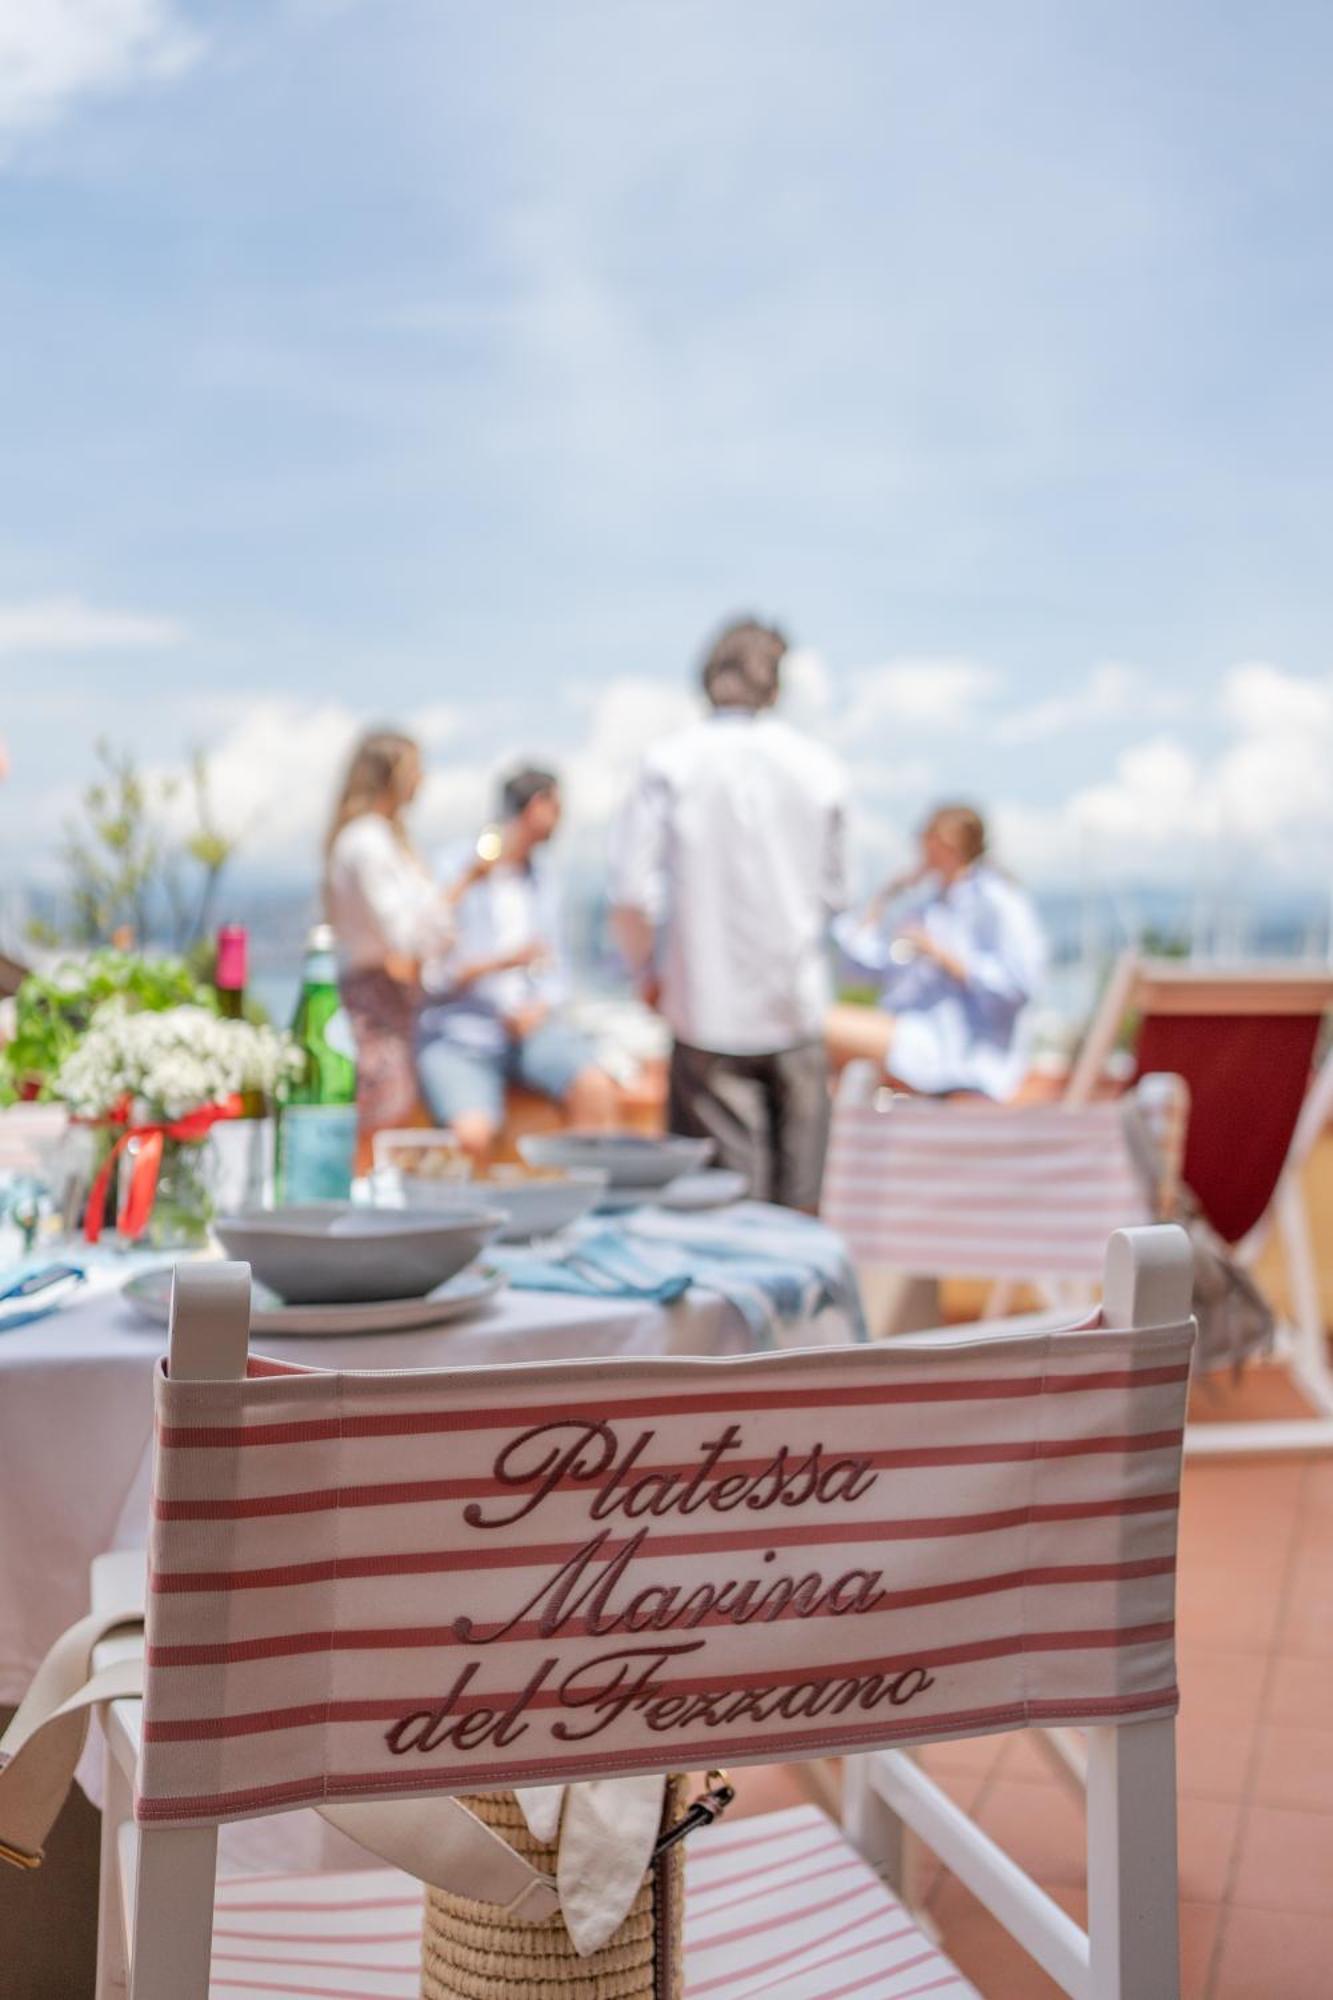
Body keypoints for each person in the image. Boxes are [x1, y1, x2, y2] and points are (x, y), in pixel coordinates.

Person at [610, 616, 847, 1210]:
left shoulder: (669, 763)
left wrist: (648, 973)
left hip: (705, 1014)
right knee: (799, 1216)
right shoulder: (818, 767)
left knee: (723, 1223)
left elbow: (631, 896)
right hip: (795, 1009)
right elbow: (837, 895)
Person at [415, 766, 617, 1161]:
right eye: (557, 807)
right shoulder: (456, 866)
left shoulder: (544, 878)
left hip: (530, 1034)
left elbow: (557, 966)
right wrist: (501, 963)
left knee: (596, 1089)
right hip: (463, 1036)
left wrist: (539, 1007)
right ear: (537, 806)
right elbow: (429, 971)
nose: (563, 819)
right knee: (472, 1136)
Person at [324, 728, 486, 1133]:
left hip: (388, 999)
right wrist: (464, 882)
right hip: (375, 1001)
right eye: (415, 770)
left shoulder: (376, 839)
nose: (422, 780)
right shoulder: (368, 841)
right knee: (381, 1121)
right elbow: (406, 937)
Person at [826, 803, 1046, 1099]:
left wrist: (943, 957)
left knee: (816, 1028)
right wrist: (886, 896)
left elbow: (1017, 988)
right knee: (810, 1043)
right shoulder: (926, 906)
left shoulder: (998, 901)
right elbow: (857, 970)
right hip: (909, 1034)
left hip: (951, 1049)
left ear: (949, 845)